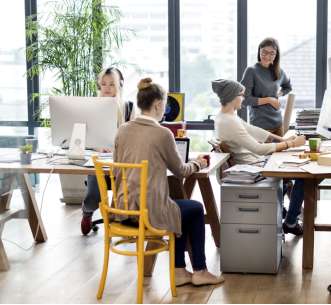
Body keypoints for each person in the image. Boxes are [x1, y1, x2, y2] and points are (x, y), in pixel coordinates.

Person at [111, 77, 224, 287]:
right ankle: (200, 270)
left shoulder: (122, 130)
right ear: (157, 105)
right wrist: (197, 164)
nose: (164, 109)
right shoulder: (162, 133)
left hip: (123, 210)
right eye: (164, 105)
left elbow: (117, 168)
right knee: (195, 208)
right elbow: (181, 171)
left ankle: (180, 271)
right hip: (149, 213)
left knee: (176, 206)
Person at [212, 79, 307, 235]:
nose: (243, 98)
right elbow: (259, 149)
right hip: (254, 168)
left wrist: (283, 140)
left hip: (255, 162)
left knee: (290, 167)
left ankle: (280, 209)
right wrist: (291, 145)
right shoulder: (230, 121)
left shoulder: (225, 116)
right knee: (303, 176)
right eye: (241, 95)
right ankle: (290, 222)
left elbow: (254, 131)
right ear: (232, 97)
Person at [81, 67, 136, 235]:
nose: (107, 88)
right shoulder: (92, 106)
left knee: (131, 195)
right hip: (99, 161)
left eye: (111, 84)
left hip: (122, 163)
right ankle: (86, 214)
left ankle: (129, 223)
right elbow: (81, 136)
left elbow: (134, 136)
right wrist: (94, 146)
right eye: (103, 84)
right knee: (93, 198)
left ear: (119, 86)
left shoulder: (128, 107)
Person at [240, 37, 292, 137]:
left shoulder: (278, 72)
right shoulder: (251, 71)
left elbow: (288, 87)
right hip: (260, 126)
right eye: (264, 52)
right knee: (264, 152)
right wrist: (269, 100)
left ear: (276, 55)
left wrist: (277, 95)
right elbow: (245, 100)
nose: (267, 56)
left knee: (281, 153)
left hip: (278, 124)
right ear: (259, 51)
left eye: (271, 53)